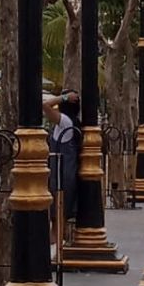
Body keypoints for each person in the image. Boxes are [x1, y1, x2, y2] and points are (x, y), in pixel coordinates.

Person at [43, 91, 80, 237]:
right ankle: (57, 244)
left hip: (61, 175)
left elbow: (45, 105)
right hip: (63, 173)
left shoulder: (65, 121)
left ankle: (57, 247)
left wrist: (64, 97)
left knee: (58, 214)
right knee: (58, 215)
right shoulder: (69, 122)